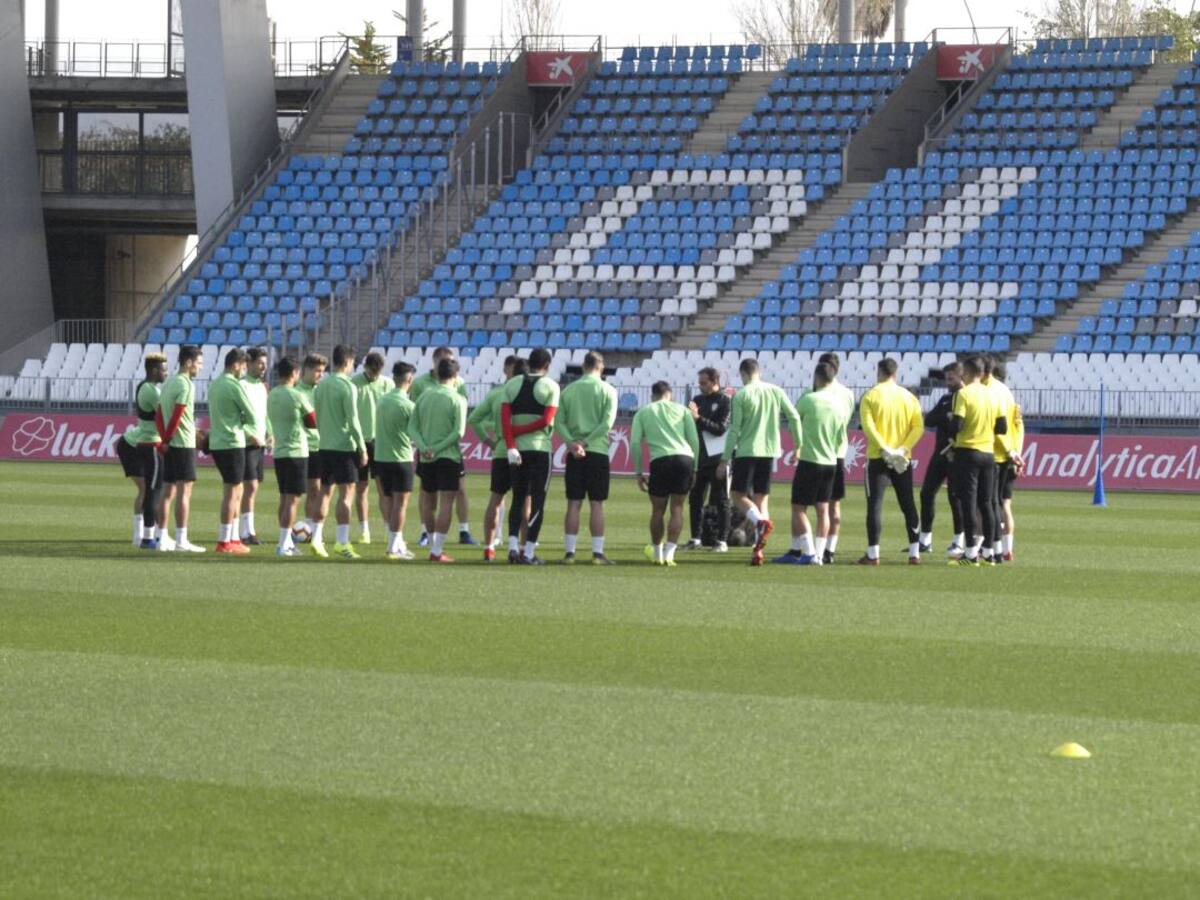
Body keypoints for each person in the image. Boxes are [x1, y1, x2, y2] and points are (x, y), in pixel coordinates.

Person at [717, 358, 802, 566]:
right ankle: (758, 550)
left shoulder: (741, 395)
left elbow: (734, 430)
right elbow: (794, 416)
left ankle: (760, 523)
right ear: (759, 372)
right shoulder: (775, 390)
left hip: (747, 451)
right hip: (769, 451)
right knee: (761, 500)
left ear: (743, 374)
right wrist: (798, 444)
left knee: (737, 495)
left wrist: (724, 459)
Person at [773, 361, 852, 565]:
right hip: (831, 462)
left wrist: (798, 443)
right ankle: (819, 553)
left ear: (816, 378)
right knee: (823, 509)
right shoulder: (839, 405)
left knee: (798, 508)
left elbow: (793, 419)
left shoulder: (809, 399)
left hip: (809, 460)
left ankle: (808, 552)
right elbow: (840, 437)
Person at [857, 357, 924, 565]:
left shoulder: (870, 396)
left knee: (875, 505)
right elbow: (918, 428)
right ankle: (915, 553)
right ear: (896, 374)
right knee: (908, 504)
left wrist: (885, 448)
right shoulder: (909, 397)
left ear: (879, 372)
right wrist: (903, 449)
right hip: (902, 460)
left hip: (879, 458)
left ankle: (873, 553)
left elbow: (869, 427)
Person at [554, 350, 618, 565]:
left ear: (583, 366)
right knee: (597, 504)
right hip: (597, 451)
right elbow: (606, 424)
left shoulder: (569, 390)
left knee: (574, 503)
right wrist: (586, 442)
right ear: (600, 368)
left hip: (574, 454)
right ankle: (597, 553)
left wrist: (572, 443)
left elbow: (558, 422)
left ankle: (570, 552)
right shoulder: (608, 390)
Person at [411, 346, 476, 547]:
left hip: (426, 456)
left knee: (429, 501)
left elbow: (412, 427)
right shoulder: (458, 398)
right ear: (455, 374)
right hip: (447, 455)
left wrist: (424, 447)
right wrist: (438, 448)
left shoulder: (424, 396)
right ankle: (437, 549)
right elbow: (459, 432)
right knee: (446, 502)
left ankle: (430, 540)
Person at [500, 347, 560, 565]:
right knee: (537, 501)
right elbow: (546, 421)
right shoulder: (551, 386)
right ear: (547, 365)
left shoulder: (512, 384)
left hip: (516, 451)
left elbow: (505, 420)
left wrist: (510, 443)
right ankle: (529, 552)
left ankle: (513, 548)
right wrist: (521, 431)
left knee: (517, 498)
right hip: (540, 450)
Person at [467, 355, 528, 561]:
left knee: (496, 498)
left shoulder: (497, 394)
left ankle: (489, 547)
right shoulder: (529, 394)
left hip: (502, 449)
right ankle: (522, 548)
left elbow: (474, 419)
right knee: (525, 500)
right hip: (524, 449)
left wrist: (489, 441)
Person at [632, 381, 700, 566]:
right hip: (684, 459)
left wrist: (638, 471)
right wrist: (695, 467)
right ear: (669, 394)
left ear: (652, 395)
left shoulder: (643, 412)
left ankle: (657, 553)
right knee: (677, 508)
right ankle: (670, 554)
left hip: (660, 460)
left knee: (657, 510)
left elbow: (635, 443)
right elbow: (694, 440)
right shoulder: (683, 410)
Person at [949, 355, 1008, 566]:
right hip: (988, 453)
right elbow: (1002, 428)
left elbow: (957, 425)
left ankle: (971, 552)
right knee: (987, 504)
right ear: (982, 373)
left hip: (968, 451)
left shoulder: (963, 394)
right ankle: (989, 552)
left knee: (969, 503)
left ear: (966, 372)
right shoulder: (994, 395)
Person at [313, 344, 369, 560]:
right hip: (344, 447)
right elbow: (353, 420)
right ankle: (342, 542)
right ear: (347, 362)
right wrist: (361, 447)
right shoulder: (348, 386)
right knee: (347, 493)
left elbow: (317, 415)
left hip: (324, 445)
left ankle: (317, 538)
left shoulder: (321, 386)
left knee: (325, 491)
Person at [155, 344, 206, 553]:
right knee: (185, 492)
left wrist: (163, 439)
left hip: (170, 444)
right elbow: (177, 415)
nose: (200, 367)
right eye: (199, 363)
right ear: (188, 362)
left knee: (168, 492)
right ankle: (181, 539)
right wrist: (167, 438)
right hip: (183, 443)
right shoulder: (186, 385)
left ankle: (161, 537)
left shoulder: (168, 383)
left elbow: (158, 413)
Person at [208, 348, 259, 554]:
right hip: (232, 442)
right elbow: (252, 414)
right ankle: (224, 540)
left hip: (218, 441)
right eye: (244, 366)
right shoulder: (233, 385)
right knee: (232, 492)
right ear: (236, 364)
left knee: (235, 491)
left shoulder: (215, 384)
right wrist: (246, 425)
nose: (244, 371)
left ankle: (233, 537)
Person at [266, 357, 317, 557]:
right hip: (297, 451)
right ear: (295, 373)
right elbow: (313, 421)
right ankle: (283, 544)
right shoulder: (297, 395)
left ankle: (285, 541)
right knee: (292, 500)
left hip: (280, 452)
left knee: (284, 498)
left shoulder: (272, 394)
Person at [115, 352, 167, 549]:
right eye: (164, 369)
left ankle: (140, 535)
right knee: (148, 490)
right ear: (154, 370)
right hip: (132, 446)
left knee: (145, 490)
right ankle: (144, 535)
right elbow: (166, 414)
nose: (166, 373)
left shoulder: (145, 387)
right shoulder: (152, 391)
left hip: (134, 442)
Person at [920, 361, 966, 557]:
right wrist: (946, 416)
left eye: (951, 377)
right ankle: (925, 540)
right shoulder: (946, 398)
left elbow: (961, 425)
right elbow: (929, 420)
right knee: (926, 493)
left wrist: (946, 417)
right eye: (946, 377)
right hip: (940, 453)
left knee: (955, 498)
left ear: (961, 376)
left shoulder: (966, 398)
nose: (947, 381)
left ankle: (959, 541)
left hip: (958, 455)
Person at [374, 361, 418, 560]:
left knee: (388, 500)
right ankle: (393, 546)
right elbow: (415, 433)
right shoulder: (409, 405)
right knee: (401, 504)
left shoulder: (382, 401)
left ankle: (397, 543)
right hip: (401, 457)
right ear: (410, 379)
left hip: (381, 457)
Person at [684, 366, 731, 552]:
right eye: (700, 383)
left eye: (704, 383)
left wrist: (698, 419)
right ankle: (696, 538)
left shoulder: (725, 401)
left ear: (715, 382)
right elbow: (690, 425)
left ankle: (722, 541)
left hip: (718, 459)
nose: (700, 386)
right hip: (699, 458)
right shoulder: (697, 400)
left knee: (721, 500)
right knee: (695, 499)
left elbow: (720, 428)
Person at [817, 352, 857, 564]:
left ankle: (812, 548)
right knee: (834, 504)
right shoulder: (848, 394)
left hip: (817, 453)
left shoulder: (815, 391)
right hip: (838, 451)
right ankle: (829, 550)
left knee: (813, 505)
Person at [351, 351, 389, 544]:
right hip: (360, 441)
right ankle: (364, 529)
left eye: (377, 371)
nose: (374, 374)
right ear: (365, 367)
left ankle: (389, 530)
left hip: (381, 441)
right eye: (372, 370)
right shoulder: (354, 384)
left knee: (383, 488)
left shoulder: (387, 384)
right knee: (361, 488)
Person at [989, 359, 1024, 562]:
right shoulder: (1013, 402)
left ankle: (982, 547)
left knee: (986, 504)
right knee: (1005, 505)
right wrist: (1017, 453)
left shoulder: (994, 397)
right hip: (1012, 455)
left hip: (998, 454)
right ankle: (1007, 549)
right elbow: (1020, 428)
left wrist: (1010, 452)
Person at [238, 346, 270, 546]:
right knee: (248, 485)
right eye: (260, 363)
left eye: (265, 364)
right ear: (248, 363)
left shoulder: (261, 386)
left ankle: (247, 529)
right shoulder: (241, 385)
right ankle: (244, 531)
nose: (264, 367)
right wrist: (250, 434)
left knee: (254, 486)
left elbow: (264, 414)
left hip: (259, 442)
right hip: (245, 442)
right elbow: (236, 417)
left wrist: (271, 431)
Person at [295, 353, 327, 545]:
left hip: (322, 445)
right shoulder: (297, 391)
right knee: (309, 490)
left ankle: (311, 529)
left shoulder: (322, 391)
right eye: (316, 370)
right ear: (305, 370)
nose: (320, 375)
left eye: (322, 371)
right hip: (305, 446)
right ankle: (308, 528)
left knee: (319, 490)